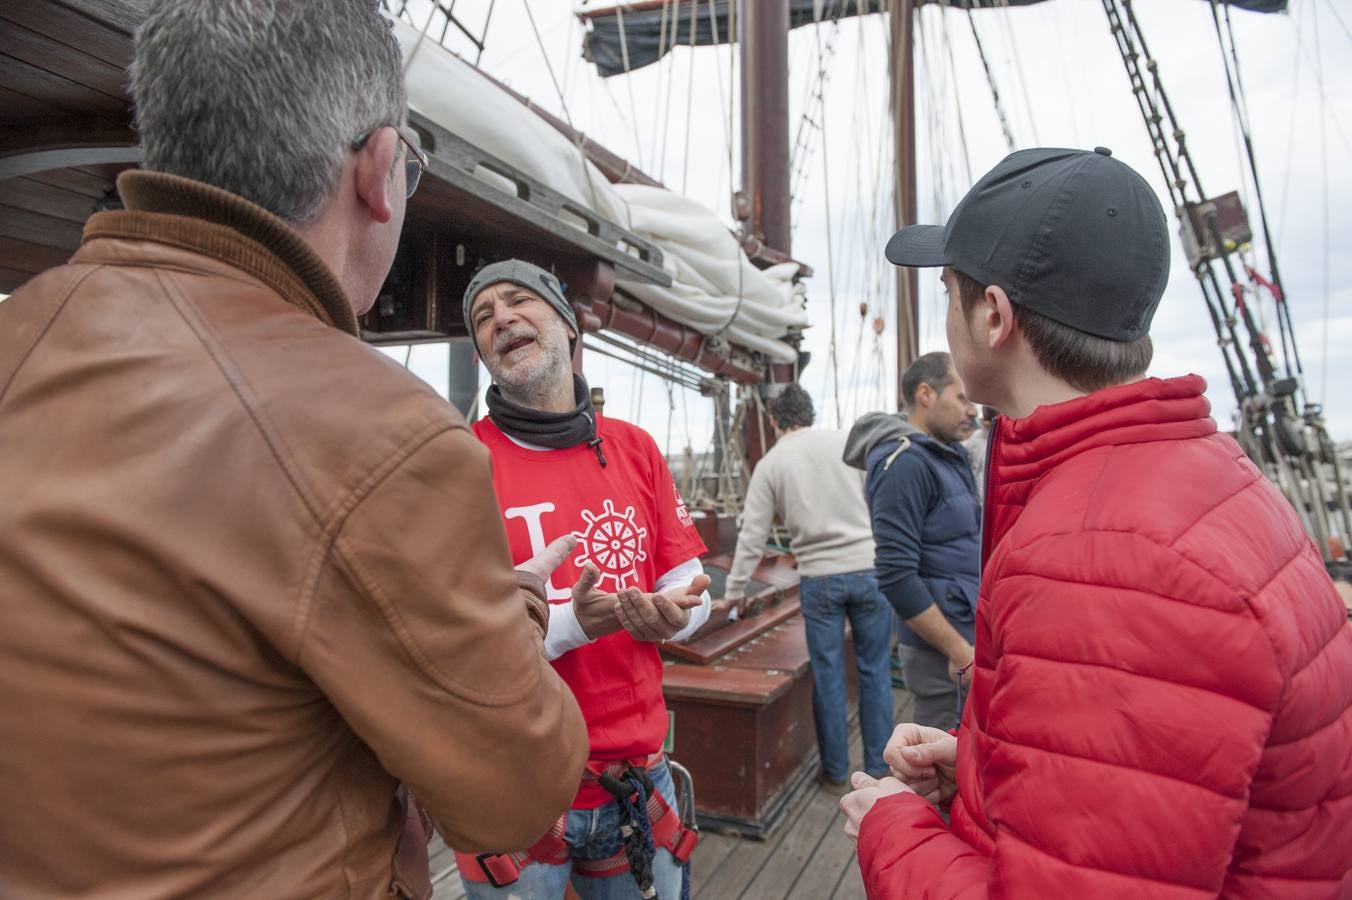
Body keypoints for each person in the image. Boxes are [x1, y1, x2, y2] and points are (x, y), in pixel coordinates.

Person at [0, 3, 589, 898]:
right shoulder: (380, 433)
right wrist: (512, 612)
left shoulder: (22, 337)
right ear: (381, 172)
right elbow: (517, 792)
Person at [842, 147, 1352, 896]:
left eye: (947, 292)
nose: (944, 319)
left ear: (993, 315)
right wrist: (984, 763)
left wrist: (891, 827)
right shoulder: (1212, 475)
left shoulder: (1098, 562)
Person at [457, 259, 712, 900]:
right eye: (483, 318)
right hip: (513, 788)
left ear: (569, 328)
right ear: (485, 354)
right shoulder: (457, 464)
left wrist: (677, 613)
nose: (501, 319)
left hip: (635, 778)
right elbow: (452, 647)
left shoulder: (636, 448)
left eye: (519, 302)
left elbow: (690, 582)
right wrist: (573, 625)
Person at [723, 382, 893, 793]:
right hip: (871, 570)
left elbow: (752, 537)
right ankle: (881, 771)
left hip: (820, 578)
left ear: (774, 420)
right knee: (875, 672)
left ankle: (836, 773)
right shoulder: (848, 444)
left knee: (829, 675)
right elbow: (879, 501)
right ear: (810, 412)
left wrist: (734, 591)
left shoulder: (772, 463)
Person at [843, 352, 980, 731]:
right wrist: (958, 650)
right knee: (935, 768)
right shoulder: (903, 463)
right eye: (962, 397)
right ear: (926, 394)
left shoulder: (947, 454)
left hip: (966, 630)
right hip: (946, 653)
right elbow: (895, 574)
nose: (972, 410)